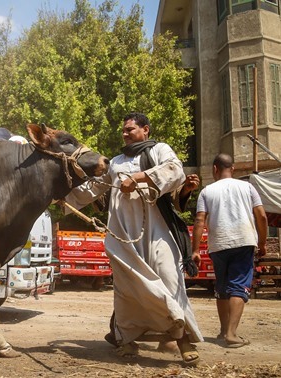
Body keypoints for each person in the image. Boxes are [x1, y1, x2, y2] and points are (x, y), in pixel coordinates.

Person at [66, 112, 203, 365]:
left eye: (130, 129)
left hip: (157, 230)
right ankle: (128, 340)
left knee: (169, 279)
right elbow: (93, 188)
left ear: (146, 130)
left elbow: (174, 170)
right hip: (123, 235)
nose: (125, 133)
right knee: (127, 289)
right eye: (124, 130)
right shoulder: (115, 161)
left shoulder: (159, 150)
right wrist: (60, 195)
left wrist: (138, 178)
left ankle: (182, 339)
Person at [192, 153, 268, 348]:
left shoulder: (206, 191)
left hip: (218, 244)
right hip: (244, 242)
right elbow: (261, 216)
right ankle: (232, 334)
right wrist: (262, 243)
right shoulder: (248, 187)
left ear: (215, 169)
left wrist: (195, 250)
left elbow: (199, 220)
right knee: (238, 286)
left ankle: (224, 331)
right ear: (232, 169)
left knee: (222, 288)